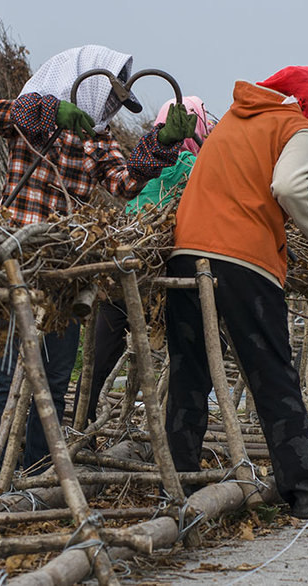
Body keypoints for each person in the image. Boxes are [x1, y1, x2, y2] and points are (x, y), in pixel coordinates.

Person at [0, 45, 196, 481]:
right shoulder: (29, 113)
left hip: (65, 266)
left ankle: (38, 471)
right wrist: (52, 112)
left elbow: (125, 182)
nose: (110, 107)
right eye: (109, 97)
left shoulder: (97, 136)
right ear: (88, 83)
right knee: (11, 374)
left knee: (56, 377)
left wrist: (162, 143)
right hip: (20, 257)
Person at [166, 66, 308, 518]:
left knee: (191, 372)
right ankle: (303, 492)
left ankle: (178, 485)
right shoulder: (297, 126)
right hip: (243, 257)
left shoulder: (232, 119)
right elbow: (288, 186)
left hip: (186, 250)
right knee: (271, 371)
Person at [74, 96, 213, 428]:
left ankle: (81, 428)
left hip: (124, 267)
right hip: (167, 277)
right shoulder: (194, 167)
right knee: (190, 355)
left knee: (99, 359)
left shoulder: (141, 161)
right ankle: (174, 435)